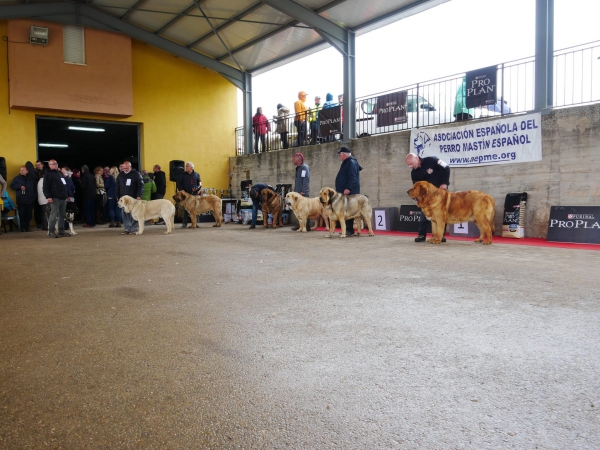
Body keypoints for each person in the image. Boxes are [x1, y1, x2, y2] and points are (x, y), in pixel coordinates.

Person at [405, 152, 451, 242]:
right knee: (423, 217)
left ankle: (440, 236)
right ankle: (422, 235)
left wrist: (444, 183)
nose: (410, 166)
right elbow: (415, 189)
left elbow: (446, 168)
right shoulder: (414, 173)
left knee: (441, 216)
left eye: (411, 163)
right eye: (408, 165)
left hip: (440, 194)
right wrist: (416, 199)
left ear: (417, 159)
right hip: (426, 199)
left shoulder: (432, 160)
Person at [335, 146, 362, 237]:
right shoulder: (347, 162)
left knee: (349, 209)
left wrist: (348, 188)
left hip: (349, 192)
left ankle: (349, 230)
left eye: (339, 155)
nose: (339, 157)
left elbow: (352, 177)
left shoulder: (351, 162)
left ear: (343, 154)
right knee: (345, 209)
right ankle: (347, 229)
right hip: (346, 191)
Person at [43, 159, 70, 238]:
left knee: (62, 214)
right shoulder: (47, 174)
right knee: (54, 214)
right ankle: (51, 231)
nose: (55, 165)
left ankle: (61, 230)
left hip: (63, 197)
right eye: (53, 164)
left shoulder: (59, 173)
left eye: (56, 163)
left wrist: (67, 195)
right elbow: (45, 186)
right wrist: (48, 196)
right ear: (49, 165)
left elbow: (64, 185)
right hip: (54, 197)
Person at [116, 161, 143, 235]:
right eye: (123, 168)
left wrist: (139, 195)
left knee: (135, 214)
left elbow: (141, 185)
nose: (124, 169)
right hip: (123, 199)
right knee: (124, 214)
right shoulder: (120, 175)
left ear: (130, 167)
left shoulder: (136, 174)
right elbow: (117, 186)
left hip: (134, 199)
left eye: (126, 168)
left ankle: (134, 229)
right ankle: (127, 228)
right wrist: (117, 196)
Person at [9, 165, 37, 232]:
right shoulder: (17, 178)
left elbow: (34, 188)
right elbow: (11, 186)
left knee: (29, 215)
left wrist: (34, 197)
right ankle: (22, 227)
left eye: (23, 170)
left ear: (27, 171)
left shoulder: (31, 179)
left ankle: (27, 227)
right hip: (21, 200)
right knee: (22, 214)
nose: (21, 171)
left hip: (30, 200)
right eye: (20, 170)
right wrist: (19, 186)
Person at [176, 162, 201, 229]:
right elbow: (179, 184)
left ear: (191, 168)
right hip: (185, 195)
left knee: (196, 209)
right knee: (185, 210)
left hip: (195, 194)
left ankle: (195, 223)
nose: (186, 167)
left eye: (187, 166)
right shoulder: (182, 175)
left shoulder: (197, 174)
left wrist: (197, 188)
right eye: (186, 166)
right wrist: (181, 189)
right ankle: (184, 223)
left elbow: (200, 183)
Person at [291, 152, 311, 231]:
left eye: (294, 159)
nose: (293, 160)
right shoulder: (298, 168)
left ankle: (307, 226)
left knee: (305, 210)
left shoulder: (304, 168)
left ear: (298, 159)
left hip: (302, 193)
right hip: (297, 192)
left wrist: (304, 191)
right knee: (298, 210)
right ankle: (300, 226)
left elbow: (306, 180)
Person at [33, 160, 45, 229]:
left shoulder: (46, 172)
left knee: (44, 210)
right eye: (36, 165)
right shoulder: (34, 173)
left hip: (43, 193)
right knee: (37, 209)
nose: (37, 166)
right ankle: (38, 223)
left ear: (42, 165)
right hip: (36, 193)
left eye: (39, 165)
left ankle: (44, 223)